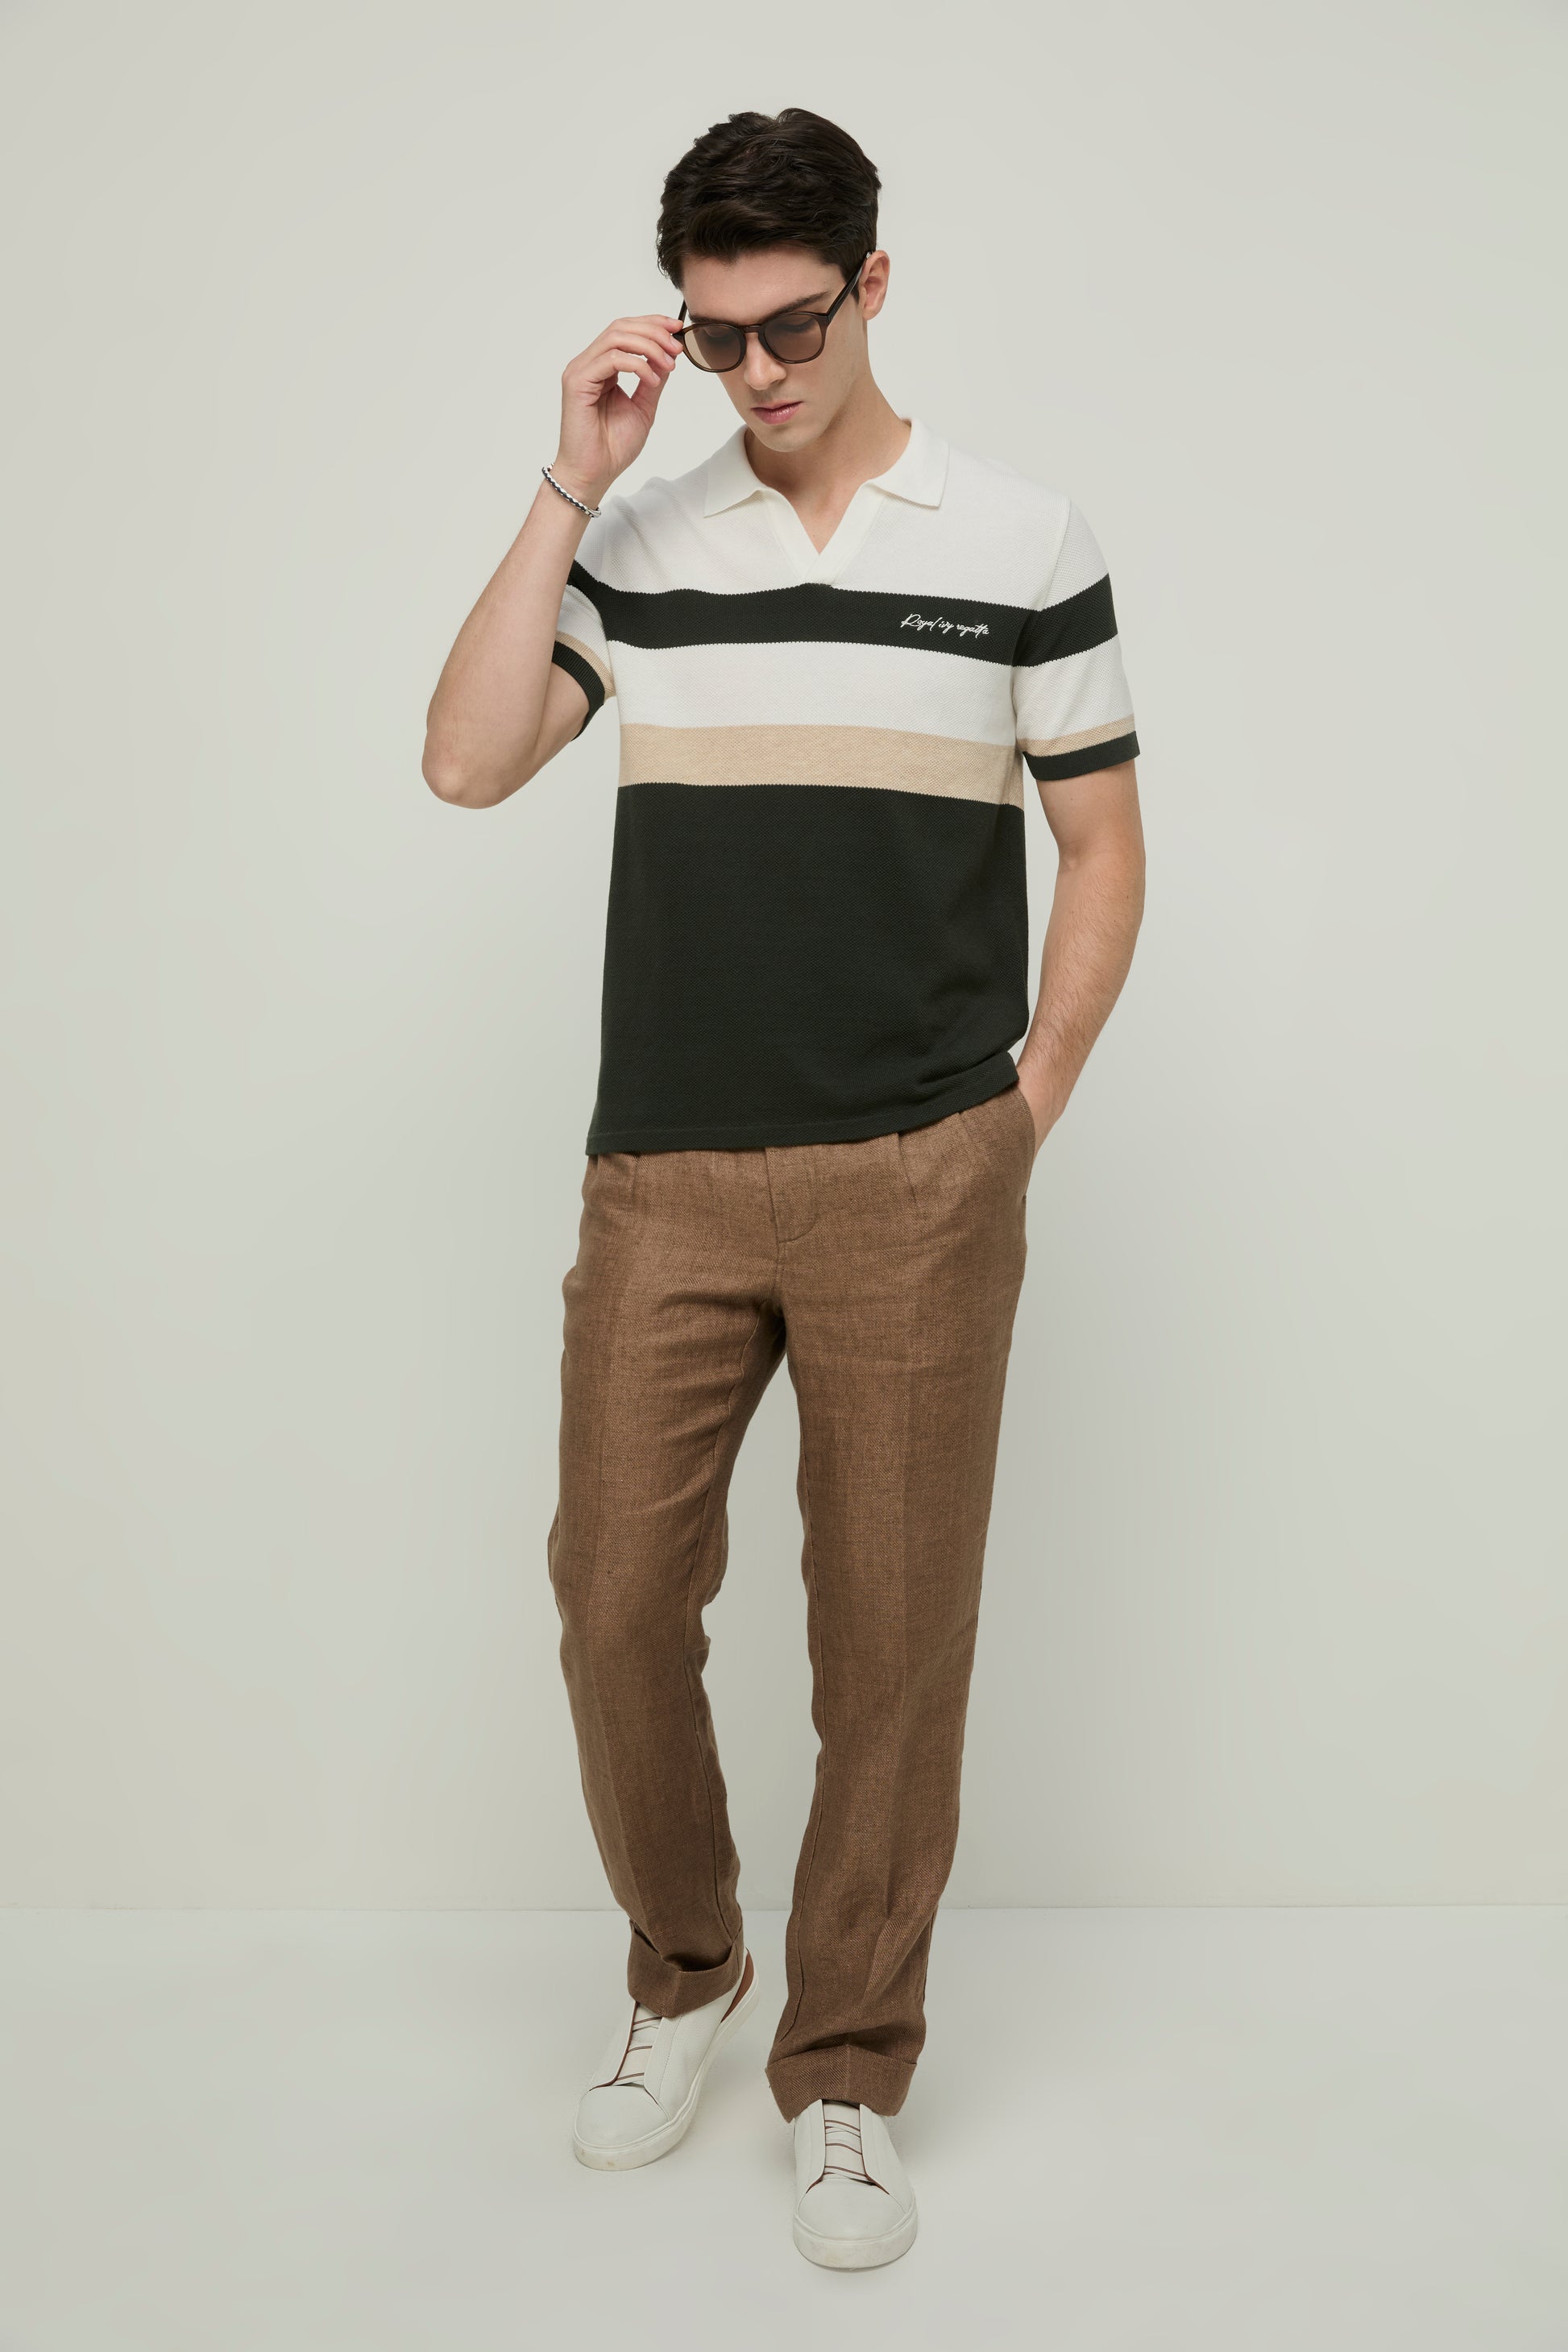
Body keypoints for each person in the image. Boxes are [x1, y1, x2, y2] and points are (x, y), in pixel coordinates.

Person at [421, 106, 1145, 2271]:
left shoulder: (1018, 539)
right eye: (718, 335)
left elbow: (1100, 841)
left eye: (794, 325)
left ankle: (844, 2069)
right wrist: (570, 474)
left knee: (891, 1643)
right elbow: (465, 760)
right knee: (613, 1599)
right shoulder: (646, 539)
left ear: (870, 287)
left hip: (920, 1169)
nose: (757, 372)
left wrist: (1020, 1110)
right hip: (666, 1167)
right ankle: (688, 1973)